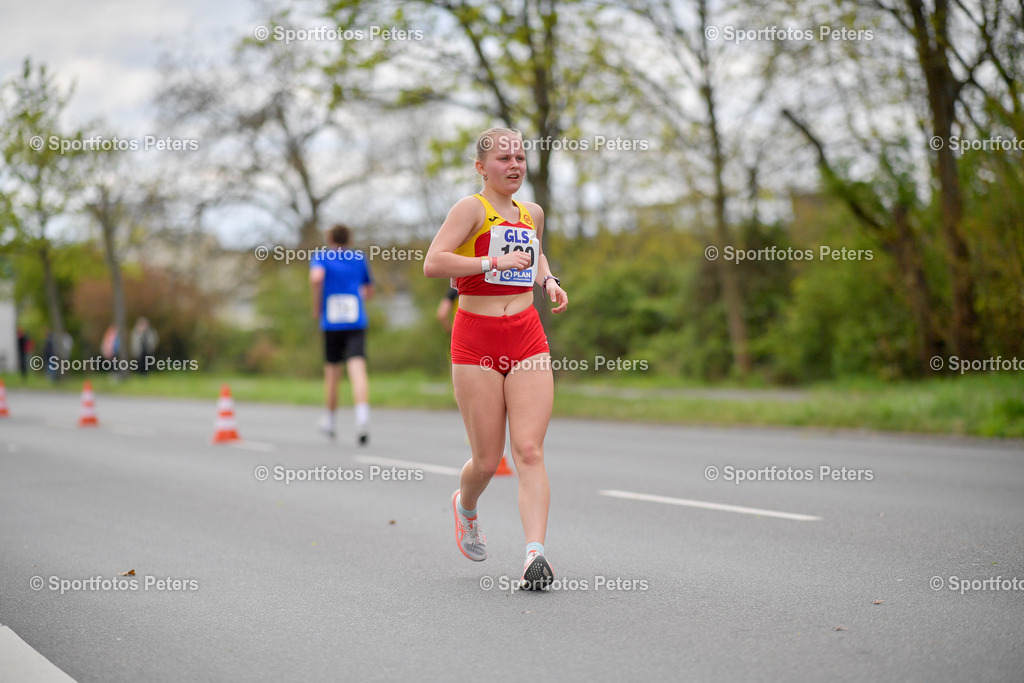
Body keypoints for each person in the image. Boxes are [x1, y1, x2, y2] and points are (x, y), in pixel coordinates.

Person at [423, 127, 568, 590]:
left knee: (528, 449)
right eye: (504, 158)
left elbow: (535, 255)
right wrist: (489, 263)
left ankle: (534, 556)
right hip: (475, 339)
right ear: (482, 167)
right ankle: (466, 507)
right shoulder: (471, 209)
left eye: (521, 158)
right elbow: (434, 262)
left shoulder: (533, 213)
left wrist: (548, 282)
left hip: (526, 334)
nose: (515, 165)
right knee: (487, 461)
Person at [310, 224, 374, 444]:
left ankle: (330, 420)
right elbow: (368, 290)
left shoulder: (322, 257)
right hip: (355, 319)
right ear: (349, 238)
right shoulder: (358, 258)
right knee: (357, 369)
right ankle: (362, 418)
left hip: (332, 322)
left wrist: (317, 305)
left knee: (332, 372)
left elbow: (316, 278)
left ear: (330, 239)